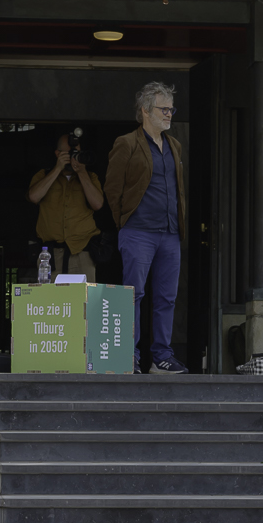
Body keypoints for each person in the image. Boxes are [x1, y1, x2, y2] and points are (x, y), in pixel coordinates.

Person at [104, 82, 190, 374]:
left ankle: (161, 357)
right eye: (163, 109)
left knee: (167, 297)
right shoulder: (127, 143)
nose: (169, 114)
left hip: (169, 233)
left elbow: (178, 190)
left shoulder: (174, 145)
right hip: (138, 231)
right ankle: (130, 355)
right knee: (134, 294)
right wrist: (124, 222)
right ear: (145, 111)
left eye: (171, 109)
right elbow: (112, 189)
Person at [27, 132, 104, 281]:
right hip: (50, 256)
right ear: (57, 153)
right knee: (52, 302)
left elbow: (97, 204)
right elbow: (33, 196)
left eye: (77, 153)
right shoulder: (43, 175)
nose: (73, 156)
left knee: (84, 302)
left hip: (82, 252)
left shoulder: (91, 177)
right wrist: (57, 169)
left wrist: (81, 172)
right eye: (69, 153)